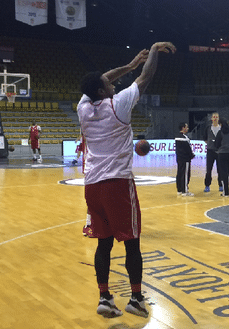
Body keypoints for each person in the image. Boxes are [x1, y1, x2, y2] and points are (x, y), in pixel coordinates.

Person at [77, 41, 175, 319]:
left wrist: (129, 65)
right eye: (107, 86)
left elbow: (103, 79)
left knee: (103, 244)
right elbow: (146, 78)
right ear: (101, 91)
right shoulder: (118, 105)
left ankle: (104, 297)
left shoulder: (83, 107)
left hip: (92, 186)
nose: (112, 85)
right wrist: (153, 52)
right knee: (132, 242)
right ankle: (135, 299)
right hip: (117, 184)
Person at [215, 117, 229, 197]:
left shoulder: (220, 132)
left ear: (220, 124)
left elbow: (217, 144)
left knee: (224, 173)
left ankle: (226, 192)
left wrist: (220, 148)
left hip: (222, 154)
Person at [203, 112, 223, 193]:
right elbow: (205, 138)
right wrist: (211, 144)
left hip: (219, 151)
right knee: (209, 169)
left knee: (220, 170)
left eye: (216, 117)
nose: (215, 118)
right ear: (211, 118)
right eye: (214, 117)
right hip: (210, 151)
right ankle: (207, 185)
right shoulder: (208, 128)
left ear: (218, 118)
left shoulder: (221, 128)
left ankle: (221, 185)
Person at [176, 122, 195, 196]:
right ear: (183, 128)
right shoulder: (184, 138)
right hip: (185, 159)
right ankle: (185, 191)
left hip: (179, 158)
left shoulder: (177, 137)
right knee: (185, 174)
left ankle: (179, 190)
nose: (187, 128)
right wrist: (191, 155)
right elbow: (188, 149)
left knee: (180, 173)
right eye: (186, 127)